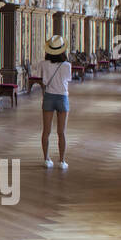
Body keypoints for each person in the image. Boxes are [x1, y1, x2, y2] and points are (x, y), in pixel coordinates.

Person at [35, 35, 73, 170]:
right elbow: (67, 80)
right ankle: (62, 161)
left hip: (49, 97)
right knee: (61, 132)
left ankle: (46, 159)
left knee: (46, 131)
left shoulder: (43, 64)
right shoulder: (67, 65)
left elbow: (41, 81)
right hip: (62, 98)